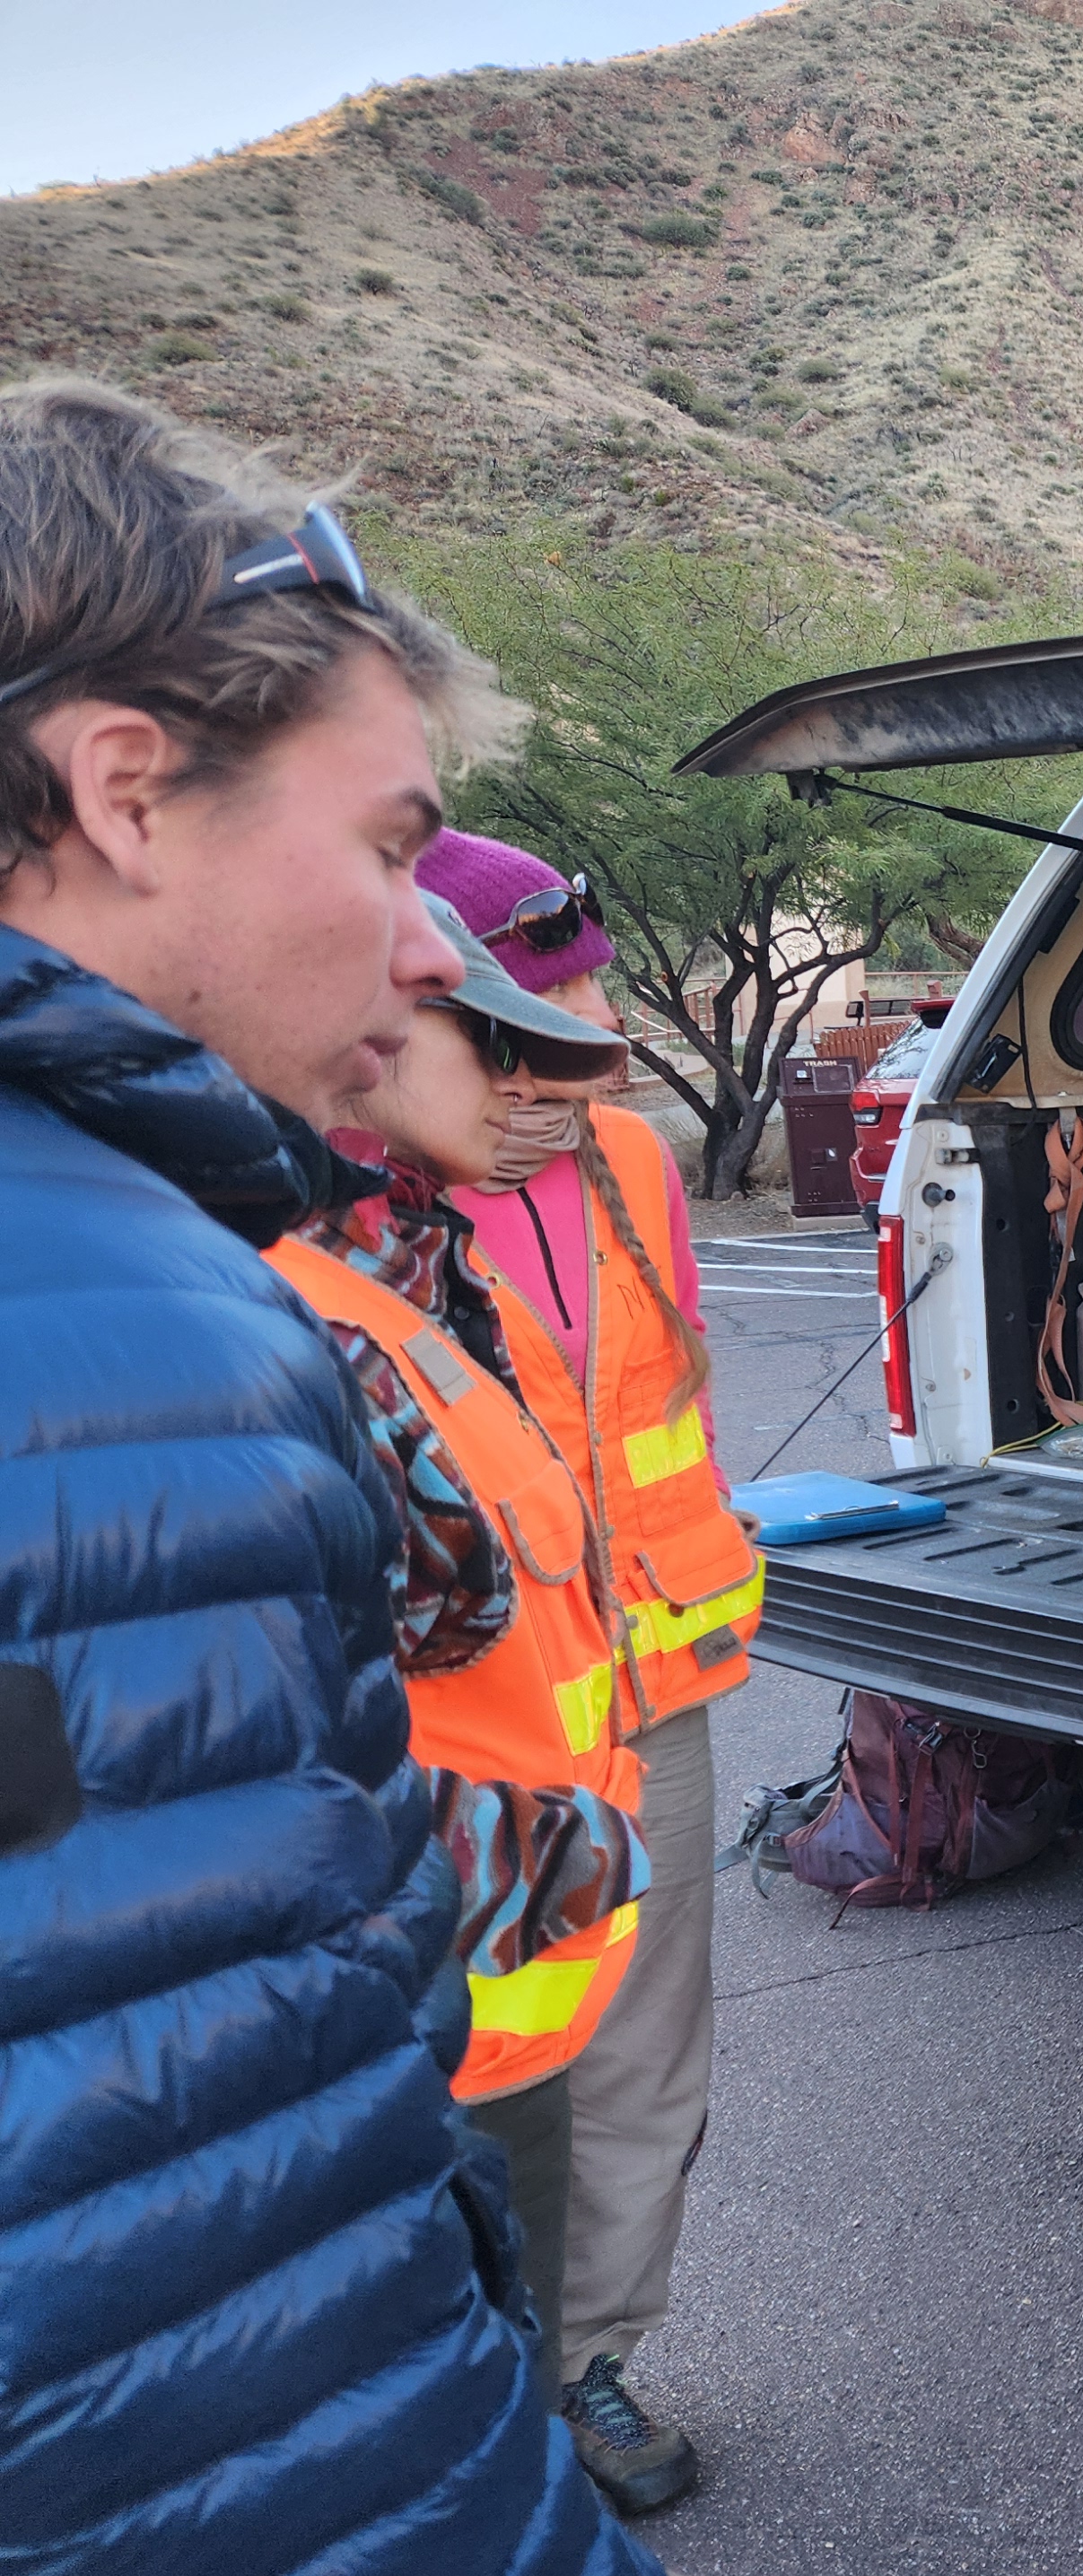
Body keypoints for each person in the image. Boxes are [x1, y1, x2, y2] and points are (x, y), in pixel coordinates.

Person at [0, 375, 773, 2576]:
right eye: (388, 845)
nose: (431, 950)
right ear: (127, 789)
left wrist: (381, 1846)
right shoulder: (127, 1317)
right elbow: (173, 2290)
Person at [271, 895, 648, 2423]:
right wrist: (565, 1856)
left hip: (496, 1999)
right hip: (409, 2029)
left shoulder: (400, 1267)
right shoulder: (276, 1316)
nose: (530, 1083)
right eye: (489, 1039)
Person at [423, 825, 749, 2518]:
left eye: (597, 998)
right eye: (550, 1008)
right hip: (470, 1728)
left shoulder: (633, 1158)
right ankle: (468, 2383)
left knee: (641, 2056)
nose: (597, 1034)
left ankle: (590, 2363)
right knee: (484, 2058)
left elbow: (661, 1421)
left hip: (651, 1692)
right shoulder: (368, 1198)